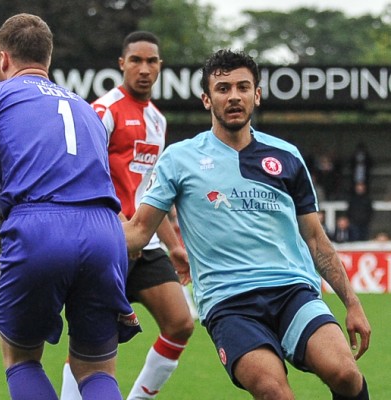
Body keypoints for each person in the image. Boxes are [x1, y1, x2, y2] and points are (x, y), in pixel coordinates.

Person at [123, 49, 371, 399]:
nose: (234, 96)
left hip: (292, 292)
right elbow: (137, 232)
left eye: (243, 87)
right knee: (274, 391)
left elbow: (315, 238)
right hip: (229, 303)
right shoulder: (179, 159)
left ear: (256, 94)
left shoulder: (286, 156)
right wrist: (79, 236)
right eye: (223, 88)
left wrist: (352, 303)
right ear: (207, 99)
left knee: (345, 373)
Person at [0, 14, 140, 400]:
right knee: (96, 369)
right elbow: (71, 193)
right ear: (47, 60)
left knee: (22, 359)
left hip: (39, 231)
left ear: (2, 59)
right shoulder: (86, 109)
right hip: (105, 233)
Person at [60, 31, 194, 400]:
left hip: (146, 244)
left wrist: (174, 244)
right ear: (122, 64)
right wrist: (119, 226)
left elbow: (153, 193)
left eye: (152, 61)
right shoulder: (103, 111)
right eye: (136, 60)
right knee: (94, 344)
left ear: (160, 66)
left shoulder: (157, 121)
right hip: (108, 242)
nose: (144, 68)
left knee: (180, 323)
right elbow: (83, 174)